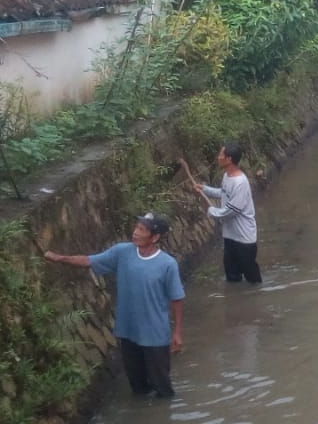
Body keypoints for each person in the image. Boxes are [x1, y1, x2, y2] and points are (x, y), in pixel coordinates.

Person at [44, 213, 184, 398]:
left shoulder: (167, 264)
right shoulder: (122, 252)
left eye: (142, 230)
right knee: (137, 387)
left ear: (155, 237)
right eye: (136, 227)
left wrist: (177, 332)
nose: (135, 232)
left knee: (163, 387)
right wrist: (60, 258)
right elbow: (89, 260)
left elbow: (177, 299)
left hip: (154, 335)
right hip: (128, 332)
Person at [190, 143, 260, 284]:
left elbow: (231, 210)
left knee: (253, 280)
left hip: (244, 239)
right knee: (232, 277)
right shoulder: (227, 176)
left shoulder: (240, 182)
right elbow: (223, 194)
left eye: (221, 155)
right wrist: (205, 189)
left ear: (229, 159)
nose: (218, 157)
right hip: (230, 237)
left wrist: (210, 210)